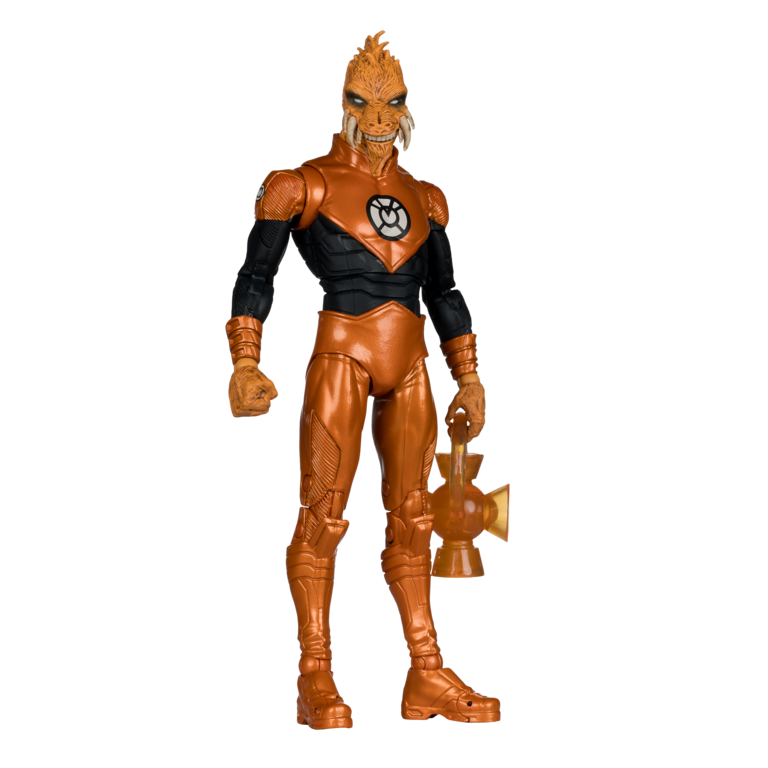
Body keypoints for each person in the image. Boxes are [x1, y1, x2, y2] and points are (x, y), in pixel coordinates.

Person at [225, 30, 500, 727]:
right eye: (364, 103)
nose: (379, 119)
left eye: (393, 103)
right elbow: (256, 276)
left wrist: (469, 377)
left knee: (413, 518)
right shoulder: (301, 184)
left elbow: (446, 293)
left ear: (407, 106)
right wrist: (245, 361)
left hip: (411, 365)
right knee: (322, 516)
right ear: (344, 103)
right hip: (341, 356)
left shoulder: (427, 197)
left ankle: (426, 672)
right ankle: (314, 674)